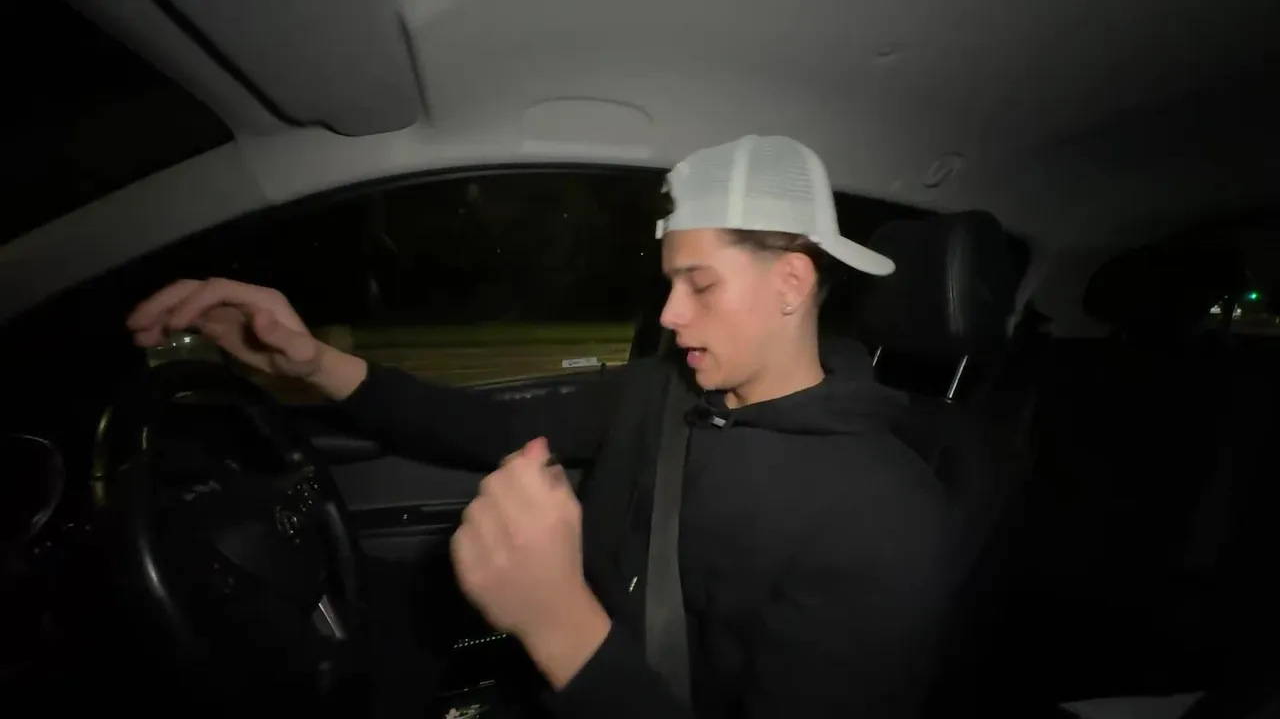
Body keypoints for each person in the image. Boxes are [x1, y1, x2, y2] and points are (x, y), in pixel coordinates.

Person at [127, 135, 948, 718]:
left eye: (699, 285)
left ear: (791, 284)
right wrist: (310, 362)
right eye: (669, 283)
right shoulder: (666, 394)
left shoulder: (883, 519)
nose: (669, 315)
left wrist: (556, 619)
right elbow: (486, 424)